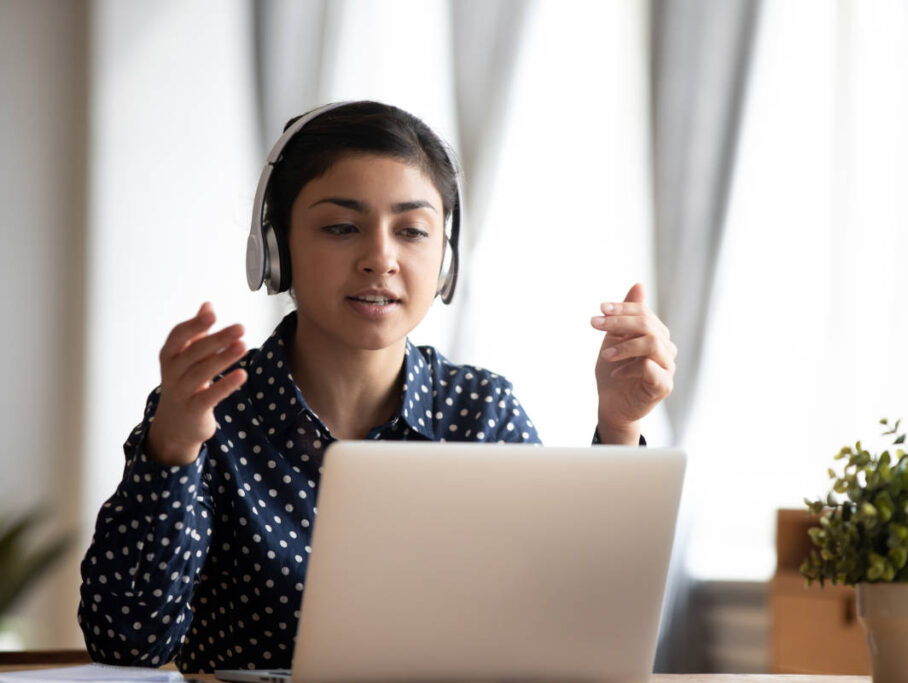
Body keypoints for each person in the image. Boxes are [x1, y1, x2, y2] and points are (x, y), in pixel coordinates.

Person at [78, 101, 676, 673]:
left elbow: (571, 624)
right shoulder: (208, 411)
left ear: (445, 257)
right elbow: (128, 643)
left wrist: (620, 428)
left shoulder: (481, 412)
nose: (380, 258)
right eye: (341, 227)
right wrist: (173, 452)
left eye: (412, 231)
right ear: (276, 247)